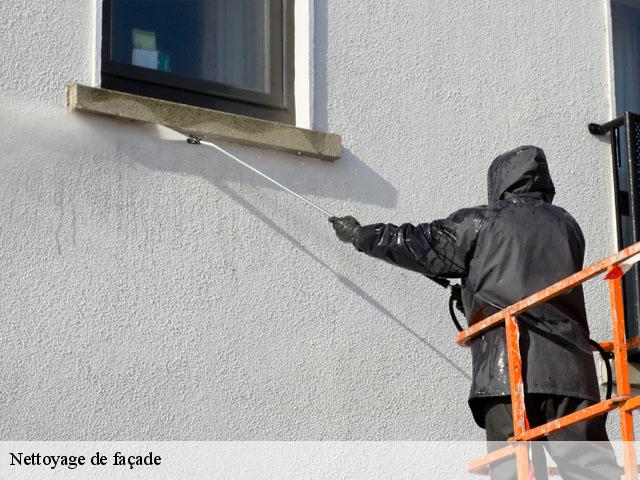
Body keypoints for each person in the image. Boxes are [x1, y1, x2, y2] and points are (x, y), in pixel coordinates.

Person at [330, 146, 619, 479]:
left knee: (515, 471)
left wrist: (361, 235)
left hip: (507, 374)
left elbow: (416, 244)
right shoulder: (568, 226)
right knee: (593, 473)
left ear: (499, 181)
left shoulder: (483, 222)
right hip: (573, 373)